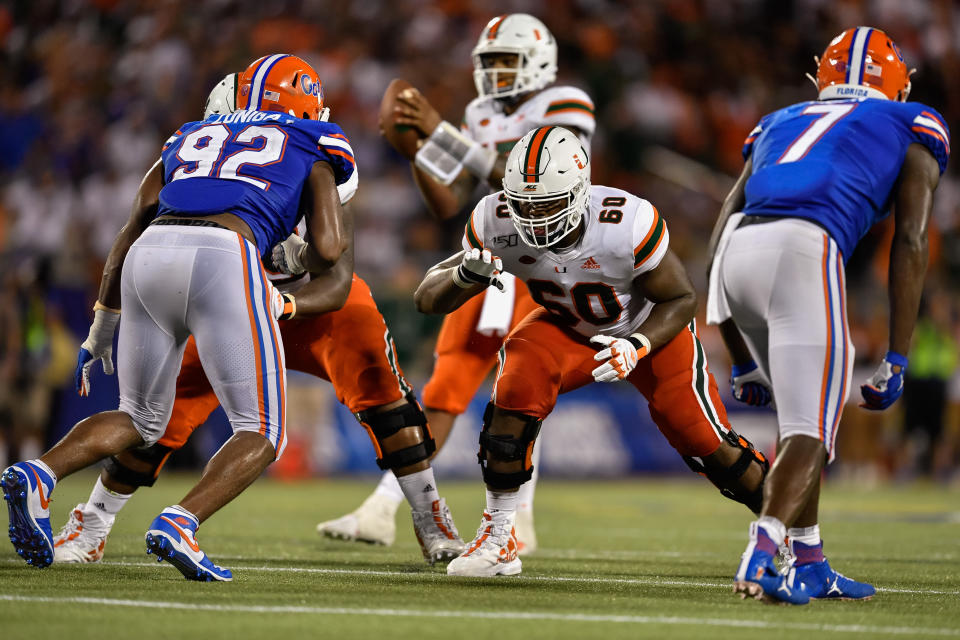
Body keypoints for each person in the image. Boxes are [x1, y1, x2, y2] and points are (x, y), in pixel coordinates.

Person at [49, 75, 464, 567]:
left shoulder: (297, 159)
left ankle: (429, 516)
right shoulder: (286, 149)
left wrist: (285, 303)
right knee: (164, 416)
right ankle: (92, 522)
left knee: (387, 400)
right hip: (227, 300)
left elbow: (336, 277)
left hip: (303, 303)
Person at [2, 54, 355, 581]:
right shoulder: (314, 139)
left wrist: (102, 323)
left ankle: (41, 472)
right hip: (224, 254)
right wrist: (290, 254)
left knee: (139, 417)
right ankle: (181, 522)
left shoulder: (190, 134)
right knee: (262, 429)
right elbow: (328, 249)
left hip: (149, 252)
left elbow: (129, 228)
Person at [414, 125, 770, 577]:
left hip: (646, 329)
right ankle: (500, 534)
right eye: (523, 204)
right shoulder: (495, 220)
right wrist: (465, 275)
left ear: (580, 192)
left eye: (545, 204)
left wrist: (636, 344)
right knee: (517, 380)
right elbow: (427, 300)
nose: (533, 217)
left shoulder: (626, 222)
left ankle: (790, 531)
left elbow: (681, 298)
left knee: (709, 446)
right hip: (567, 327)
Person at [317, 13, 597, 555]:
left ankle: (519, 519)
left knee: (520, 391)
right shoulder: (479, 113)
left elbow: (524, 175)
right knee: (447, 387)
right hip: (491, 256)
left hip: (549, 265)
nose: (494, 73)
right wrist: (418, 149)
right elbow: (451, 199)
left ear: (538, 62)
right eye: (488, 62)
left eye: (506, 61)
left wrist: (440, 131)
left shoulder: (567, 103)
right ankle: (382, 507)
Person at [706, 27, 949, 604]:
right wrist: (897, 354)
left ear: (822, 78)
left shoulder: (779, 119)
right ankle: (763, 552)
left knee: (797, 427)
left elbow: (723, 221)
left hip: (736, 255)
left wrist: (740, 359)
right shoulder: (912, 119)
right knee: (810, 433)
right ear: (898, 83)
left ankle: (810, 560)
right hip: (803, 250)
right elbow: (911, 241)